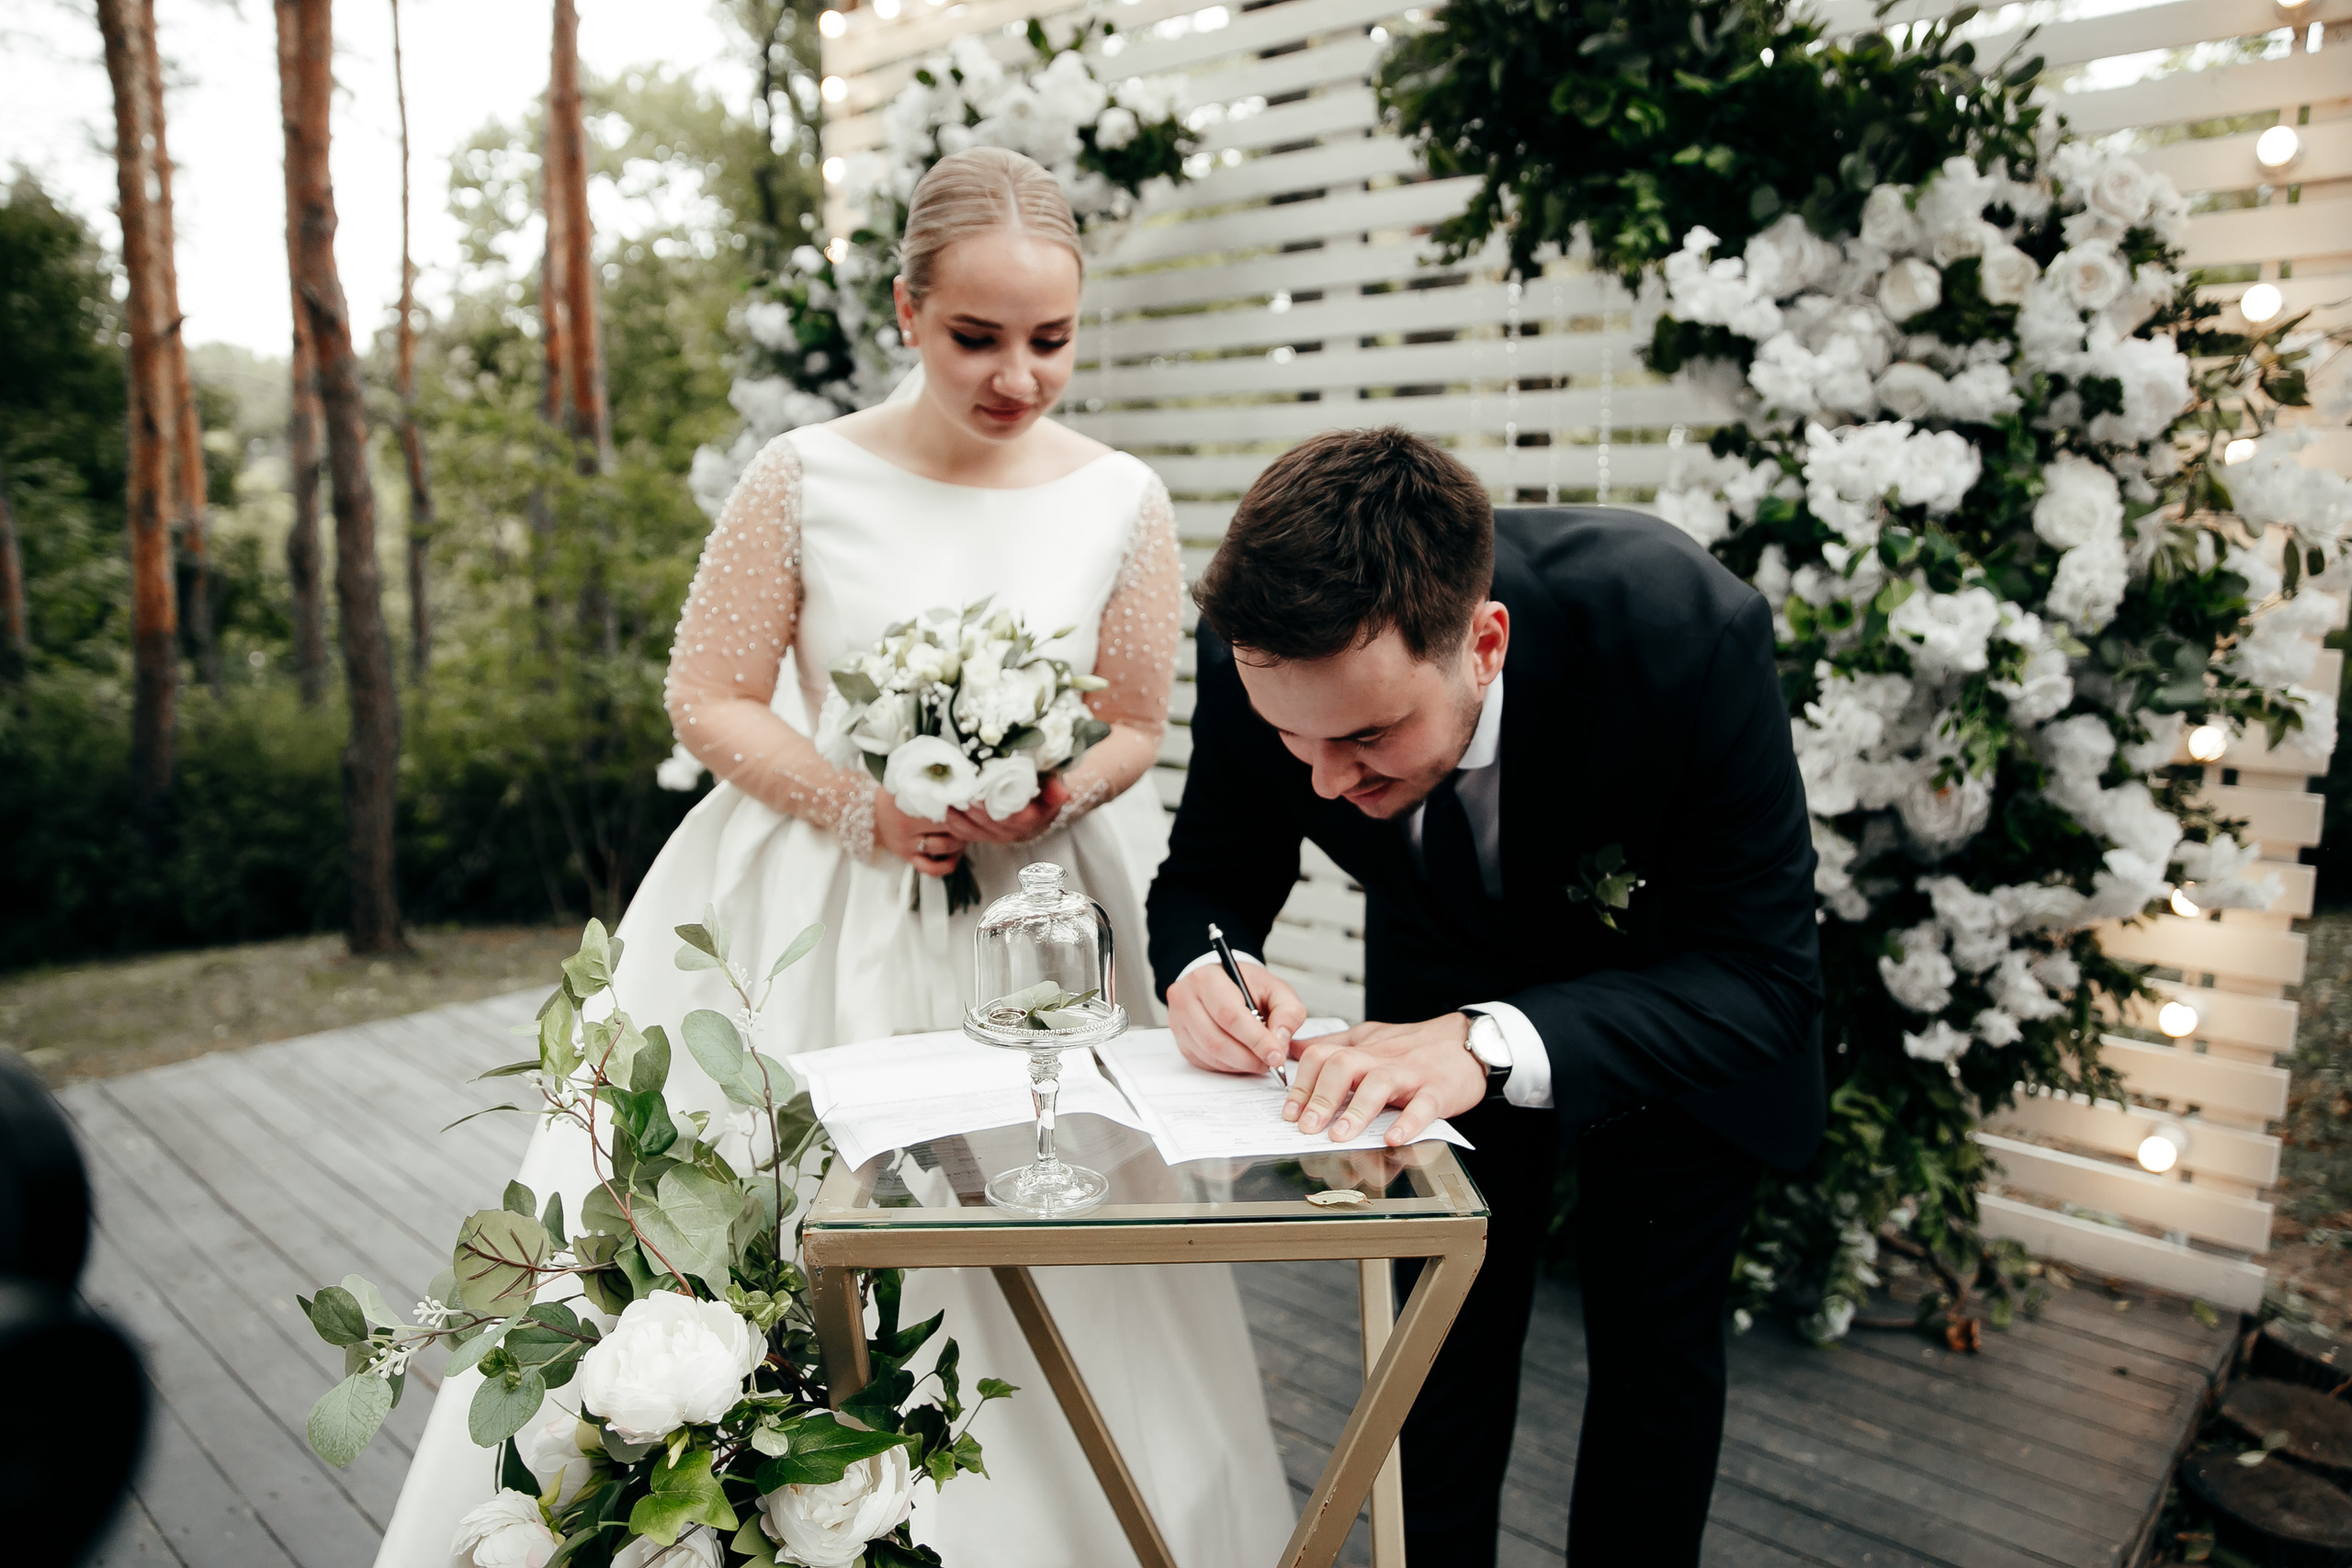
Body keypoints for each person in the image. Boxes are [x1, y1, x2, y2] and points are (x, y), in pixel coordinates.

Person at [374, 148, 1295, 1568]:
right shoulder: (802, 476)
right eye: (977, 338)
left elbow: (1134, 722)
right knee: (790, 1212)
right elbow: (712, 693)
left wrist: (1052, 784)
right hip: (807, 907)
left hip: (1035, 909)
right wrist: (861, 805)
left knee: (1050, 1224)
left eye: (1049, 340)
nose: (1018, 377)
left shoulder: (1124, 495)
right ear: (906, 307)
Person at [1148, 427, 1826, 1566]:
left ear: (1485, 642)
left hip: (1678, 1013)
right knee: (1434, 1344)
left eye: (1366, 736)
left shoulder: (1684, 631)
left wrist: (1485, 1043)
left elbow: (1763, 977)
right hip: (1436, 964)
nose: (1323, 782)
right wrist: (1206, 969)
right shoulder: (1259, 654)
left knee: (1655, 1354)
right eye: (1290, 742)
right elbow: (1212, 873)